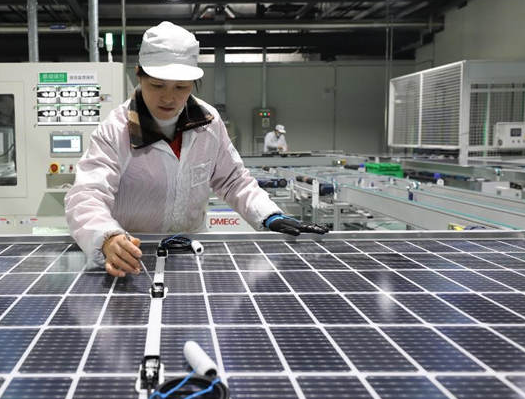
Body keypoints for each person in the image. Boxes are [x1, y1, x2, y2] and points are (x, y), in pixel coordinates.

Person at [65, 21, 328, 277]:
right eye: (157, 85)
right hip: (133, 256)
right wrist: (108, 237)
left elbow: (233, 180)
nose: (169, 98)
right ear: (139, 75)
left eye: (181, 87)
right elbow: (87, 195)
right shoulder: (115, 130)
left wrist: (269, 214)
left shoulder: (208, 123)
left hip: (191, 254)